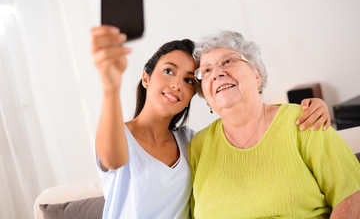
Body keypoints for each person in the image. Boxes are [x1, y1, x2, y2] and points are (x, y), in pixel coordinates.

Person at [91, 25, 331, 219]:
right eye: (168, 71)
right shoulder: (117, 135)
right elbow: (113, 159)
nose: (177, 84)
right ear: (146, 77)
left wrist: (313, 106)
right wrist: (111, 85)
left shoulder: (192, 143)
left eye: (188, 80)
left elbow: (242, 135)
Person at [188, 30, 360, 218]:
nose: (217, 73)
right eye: (206, 71)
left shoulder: (304, 120)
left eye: (227, 61)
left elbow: (352, 196)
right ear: (205, 96)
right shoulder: (198, 146)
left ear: (257, 75)